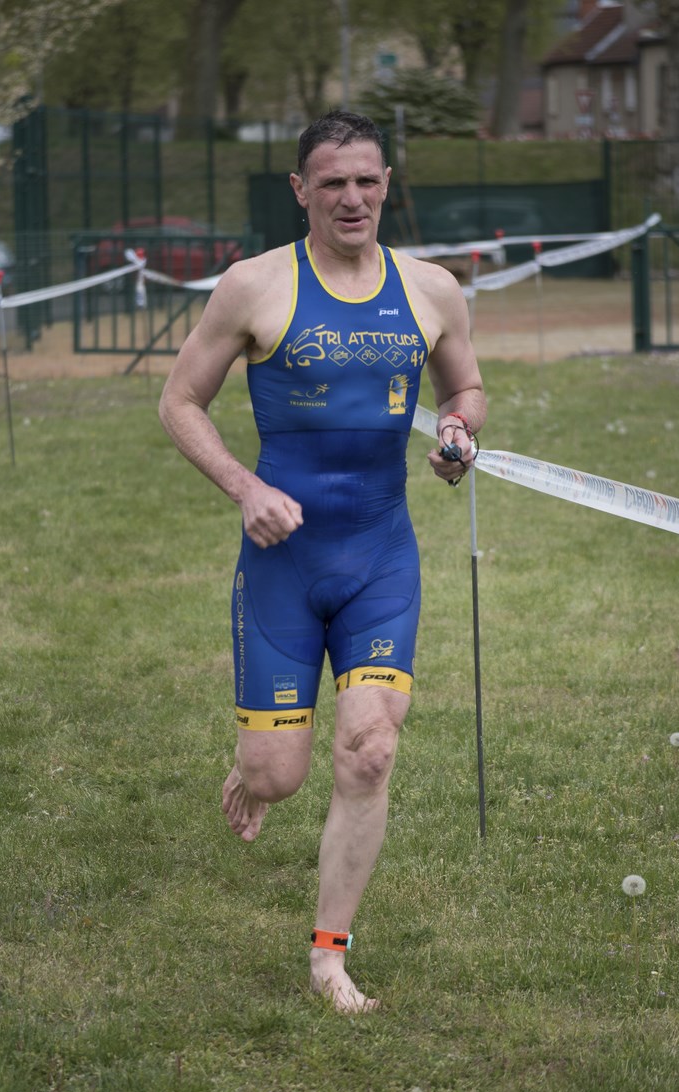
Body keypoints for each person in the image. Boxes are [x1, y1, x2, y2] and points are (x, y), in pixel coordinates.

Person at [159, 111, 486, 1013]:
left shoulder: (431, 290)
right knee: (279, 775)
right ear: (301, 190)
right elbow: (179, 401)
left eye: (366, 180)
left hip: (381, 556)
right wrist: (244, 487)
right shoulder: (253, 285)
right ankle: (256, 767)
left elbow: (464, 385)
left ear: (387, 185)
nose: (351, 198)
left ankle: (328, 957)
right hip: (283, 561)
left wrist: (457, 429)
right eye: (332, 182)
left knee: (370, 752)